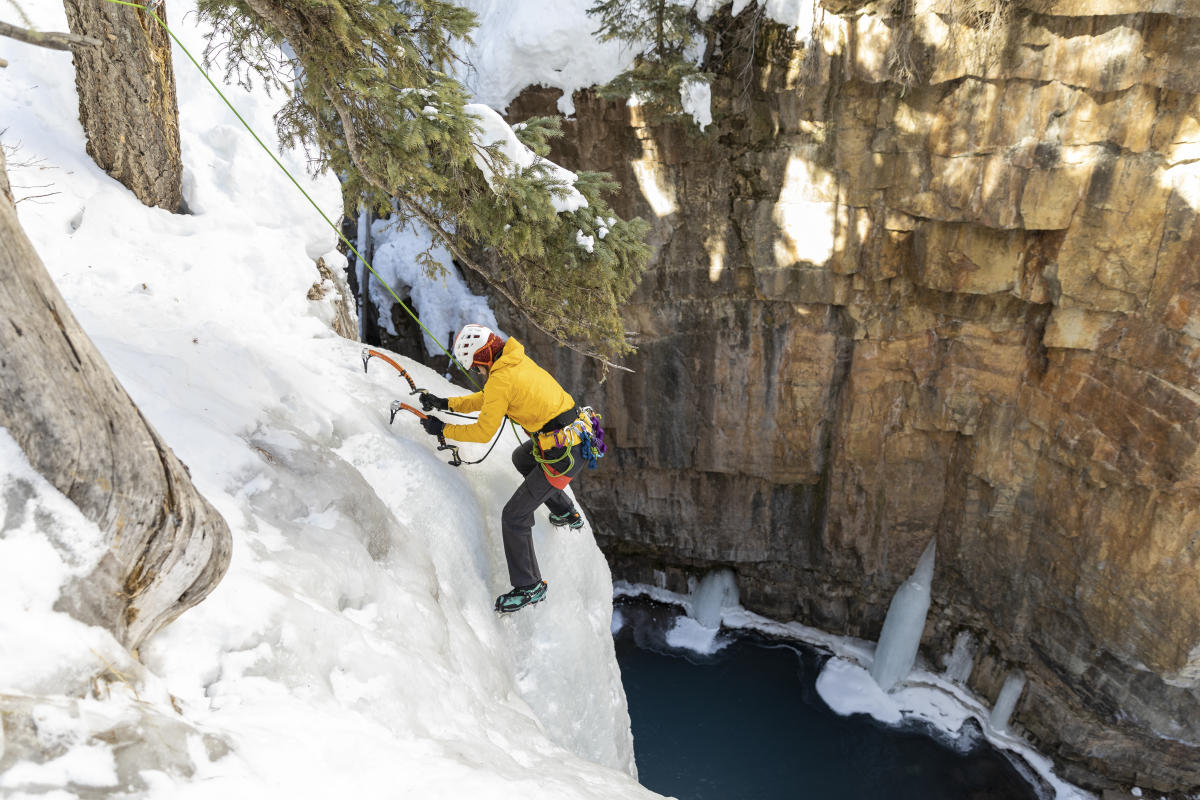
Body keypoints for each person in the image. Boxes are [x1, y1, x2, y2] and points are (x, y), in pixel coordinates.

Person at [418, 323, 595, 613]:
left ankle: (530, 586)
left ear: (483, 358)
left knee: (514, 515)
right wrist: (444, 402)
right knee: (522, 459)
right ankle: (564, 510)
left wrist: (443, 429)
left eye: (476, 368)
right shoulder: (514, 359)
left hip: (563, 455)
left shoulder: (501, 378)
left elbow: (483, 431)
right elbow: (488, 399)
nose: (478, 373)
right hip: (570, 442)